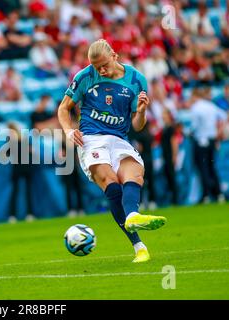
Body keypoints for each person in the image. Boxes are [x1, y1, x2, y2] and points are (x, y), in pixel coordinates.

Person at [57, 39, 167, 263]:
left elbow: (137, 125)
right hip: (91, 139)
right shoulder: (85, 76)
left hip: (119, 139)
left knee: (134, 173)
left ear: (114, 56)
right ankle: (138, 245)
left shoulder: (136, 80)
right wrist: (69, 130)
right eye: (96, 67)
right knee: (111, 182)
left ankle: (133, 215)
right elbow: (63, 108)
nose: (101, 71)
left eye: (104, 65)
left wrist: (142, 112)